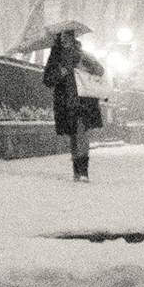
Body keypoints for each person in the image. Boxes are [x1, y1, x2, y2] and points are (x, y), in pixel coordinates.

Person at [43, 28, 106, 181]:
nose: (64, 40)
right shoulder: (55, 58)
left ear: (72, 38)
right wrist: (61, 72)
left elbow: (100, 70)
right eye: (62, 37)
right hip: (65, 102)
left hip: (84, 101)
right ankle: (77, 171)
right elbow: (47, 80)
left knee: (81, 133)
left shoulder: (82, 55)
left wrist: (86, 67)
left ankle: (83, 171)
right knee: (73, 136)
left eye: (67, 37)